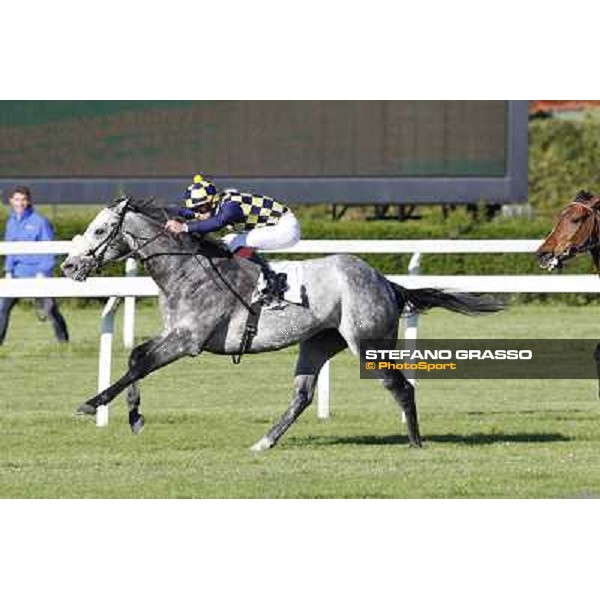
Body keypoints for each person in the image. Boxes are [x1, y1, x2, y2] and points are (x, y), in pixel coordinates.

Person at [165, 175, 301, 304]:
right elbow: (187, 212)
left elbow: (218, 222)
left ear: (213, 200)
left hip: (286, 227)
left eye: (202, 207)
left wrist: (184, 227)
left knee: (234, 242)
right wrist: (166, 211)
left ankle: (273, 281)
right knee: (230, 240)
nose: (200, 212)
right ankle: (265, 276)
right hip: (278, 226)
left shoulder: (231, 205)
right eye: (197, 209)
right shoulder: (215, 204)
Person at [1, 186, 69, 345]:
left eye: (23, 199)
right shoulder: (11, 222)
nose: (20, 203)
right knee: (2, 309)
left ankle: (64, 343)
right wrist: (8, 271)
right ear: (11, 201)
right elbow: (10, 249)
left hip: (39, 275)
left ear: (29, 201)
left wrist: (43, 272)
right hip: (17, 275)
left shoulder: (40, 222)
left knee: (50, 310)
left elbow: (49, 250)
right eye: (17, 199)